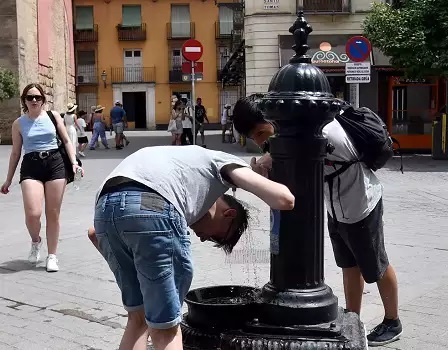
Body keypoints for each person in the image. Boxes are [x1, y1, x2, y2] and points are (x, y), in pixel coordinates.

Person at [232, 96, 402, 347]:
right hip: (336, 206)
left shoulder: (319, 129)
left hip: (361, 202)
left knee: (375, 263)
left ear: (272, 119)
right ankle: (353, 319)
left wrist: (270, 160)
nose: (260, 142)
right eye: (254, 138)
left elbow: (300, 153)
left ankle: (392, 321)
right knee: (349, 264)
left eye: (260, 133)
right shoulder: (297, 129)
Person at [92, 145, 294, 350]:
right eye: (217, 236)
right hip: (153, 206)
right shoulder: (221, 160)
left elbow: (94, 234)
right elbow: (285, 199)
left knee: (137, 319)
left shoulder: (185, 167)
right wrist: (260, 174)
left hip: (104, 208)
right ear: (229, 214)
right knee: (166, 330)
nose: (204, 239)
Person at [1, 83, 84, 272]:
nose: (34, 100)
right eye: (30, 97)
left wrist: (74, 162)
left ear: (43, 100)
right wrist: (8, 179)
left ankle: (52, 256)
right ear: (24, 101)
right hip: (31, 165)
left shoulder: (53, 116)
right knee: (33, 214)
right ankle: (35, 241)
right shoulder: (18, 123)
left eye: (37, 97)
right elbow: (15, 153)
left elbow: (66, 141)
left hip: (55, 163)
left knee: (52, 213)